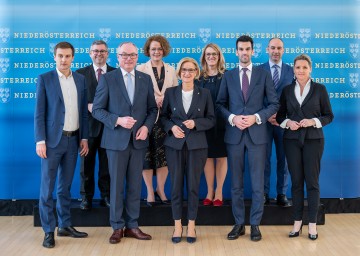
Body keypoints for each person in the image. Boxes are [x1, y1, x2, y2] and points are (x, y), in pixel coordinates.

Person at [92, 42, 157, 244]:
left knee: (135, 186)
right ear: (117, 57)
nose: (128, 58)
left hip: (138, 142)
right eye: (124, 55)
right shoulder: (108, 79)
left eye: (132, 55)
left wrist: (147, 127)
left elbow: (152, 110)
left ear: (138, 57)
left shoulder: (145, 79)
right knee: (117, 186)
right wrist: (117, 120)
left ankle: (133, 225)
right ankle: (117, 226)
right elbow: (97, 110)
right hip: (115, 142)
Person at [216, 35, 279, 242]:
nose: (244, 52)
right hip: (234, 136)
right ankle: (238, 224)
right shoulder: (229, 75)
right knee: (236, 184)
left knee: (258, 183)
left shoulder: (263, 74)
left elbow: (274, 103)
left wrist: (256, 117)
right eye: (241, 49)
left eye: (247, 49)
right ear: (236, 52)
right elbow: (220, 104)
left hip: (257, 135)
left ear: (253, 51)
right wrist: (233, 118)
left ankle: (255, 225)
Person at [34, 41, 89, 248]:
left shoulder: (81, 80)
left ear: (73, 57)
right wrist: (40, 140)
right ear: (54, 57)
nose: (64, 60)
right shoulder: (45, 79)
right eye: (60, 56)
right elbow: (39, 114)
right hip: (51, 142)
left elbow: (83, 112)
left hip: (73, 140)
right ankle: (49, 231)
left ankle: (65, 225)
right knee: (47, 189)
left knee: (65, 187)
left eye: (67, 56)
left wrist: (84, 138)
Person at [276, 54, 334, 240]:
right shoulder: (286, 90)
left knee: (312, 182)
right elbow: (279, 116)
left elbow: (329, 115)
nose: (301, 70)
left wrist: (313, 121)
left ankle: (312, 224)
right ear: (293, 69)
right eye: (298, 67)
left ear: (310, 69)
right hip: (291, 140)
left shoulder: (320, 89)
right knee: (296, 183)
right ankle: (297, 223)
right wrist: (287, 123)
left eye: (304, 67)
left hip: (313, 140)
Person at [161, 57, 215, 243]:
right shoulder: (170, 92)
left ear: (196, 73)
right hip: (174, 145)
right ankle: (177, 226)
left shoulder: (205, 93)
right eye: (184, 69)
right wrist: (171, 128)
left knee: (193, 187)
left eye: (191, 70)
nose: (187, 73)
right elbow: (163, 118)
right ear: (179, 72)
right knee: (175, 187)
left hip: (197, 146)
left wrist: (196, 123)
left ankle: (191, 225)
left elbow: (211, 119)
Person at [137, 35, 178, 206]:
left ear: (164, 50)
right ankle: (149, 191)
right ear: (148, 50)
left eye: (159, 49)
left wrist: (166, 100)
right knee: (146, 157)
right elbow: (137, 95)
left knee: (164, 156)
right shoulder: (140, 68)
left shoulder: (171, 69)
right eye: (153, 49)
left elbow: (176, 94)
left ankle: (160, 189)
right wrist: (155, 99)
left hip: (166, 120)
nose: (156, 52)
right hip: (146, 119)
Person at [76, 40, 116, 210]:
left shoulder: (116, 73)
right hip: (88, 128)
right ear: (90, 53)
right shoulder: (80, 74)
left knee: (108, 166)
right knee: (86, 166)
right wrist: (87, 106)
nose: (99, 54)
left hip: (110, 128)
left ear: (108, 53)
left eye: (102, 51)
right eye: (95, 51)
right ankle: (86, 198)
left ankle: (106, 196)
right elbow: (73, 100)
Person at [259, 38, 294, 207]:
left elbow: (294, 99)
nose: (276, 51)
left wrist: (281, 116)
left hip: (283, 122)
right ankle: (264, 193)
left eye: (279, 48)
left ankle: (281, 193)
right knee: (263, 159)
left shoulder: (292, 71)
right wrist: (267, 115)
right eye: (272, 47)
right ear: (267, 49)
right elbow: (254, 98)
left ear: (283, 50)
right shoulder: (259, 70)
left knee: (283, 159)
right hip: (263, 123)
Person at [195, 43, 227, 207]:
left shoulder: (227, 76)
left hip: (223, 123)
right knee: (207, 158)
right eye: (208, 54)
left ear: (219, 56)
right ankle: (209, 191)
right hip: (204, 124)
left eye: (214, 54)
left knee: (221, 157)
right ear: (204, 57)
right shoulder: (198, 77)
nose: (211, 57)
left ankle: (219, 191)